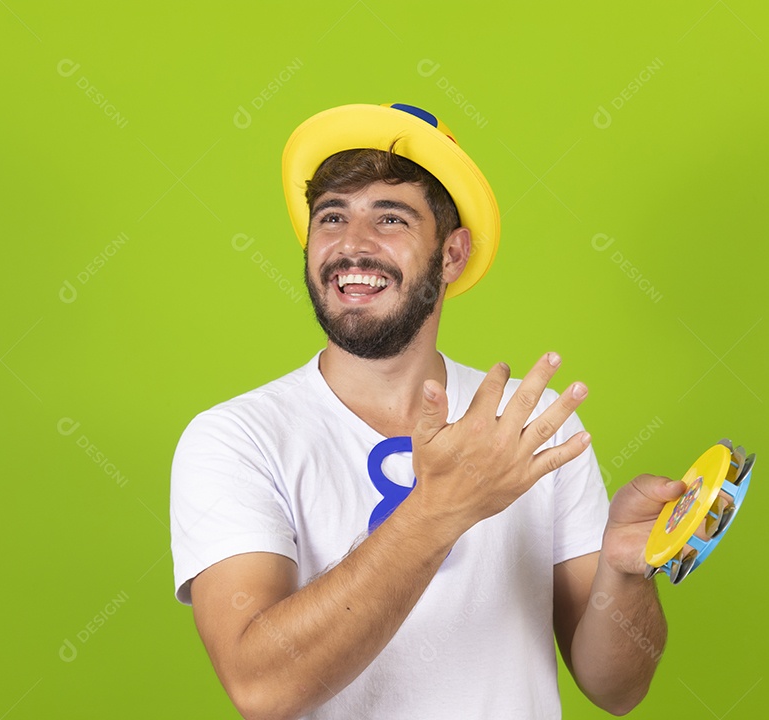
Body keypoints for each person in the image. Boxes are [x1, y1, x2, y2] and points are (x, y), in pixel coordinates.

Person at [170, 102, 685, 719]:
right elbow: (261, 689)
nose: (352, 246)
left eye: (390, 218)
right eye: (331, 217)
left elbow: (616, 689)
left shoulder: (531, 426)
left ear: (452, 255)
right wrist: (443, 506)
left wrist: (627, 576)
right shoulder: (236, 439)